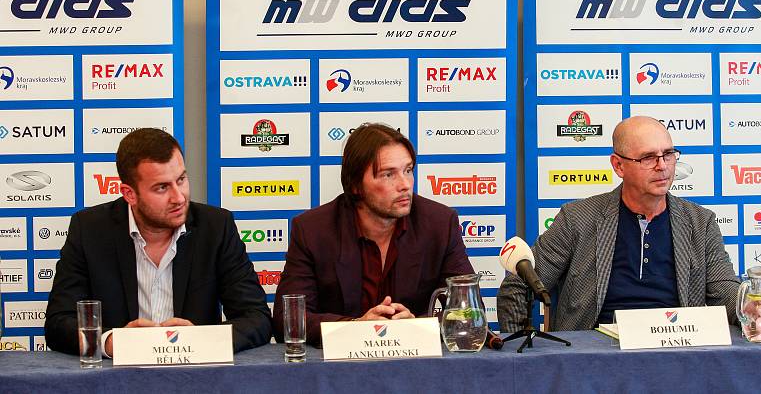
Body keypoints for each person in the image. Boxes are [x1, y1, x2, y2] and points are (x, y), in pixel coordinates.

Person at [498, 116, 739, 332]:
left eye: (668, 154)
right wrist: (523, 357)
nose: (662, 166)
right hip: (596, 354)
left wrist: (755, 304)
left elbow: (725, 293)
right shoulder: (577, 218)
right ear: (618, 165)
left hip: (674, 348)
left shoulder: (700, 222)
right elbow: (518, 286)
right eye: (648, 157)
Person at [45, 128, 271, 356]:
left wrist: (202, 340)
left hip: (197, 378)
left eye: (181, 179)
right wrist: (112, 342)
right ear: (129, 194)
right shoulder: (90, 229)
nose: (179, 197)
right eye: (162, 187)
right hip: (117, 381)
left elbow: (257, 317)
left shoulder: (215, 227)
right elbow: (59, 322)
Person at [274, 123, 473, 345]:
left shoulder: (439, 224)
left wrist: (417, 326)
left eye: (408, 170)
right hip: (338, 370)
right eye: (388, 174)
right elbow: (287, 319)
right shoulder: (313, 230)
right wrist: (355, 327)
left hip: (415, 366)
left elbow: (469, 312)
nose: (405, 184)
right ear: (356, 185)